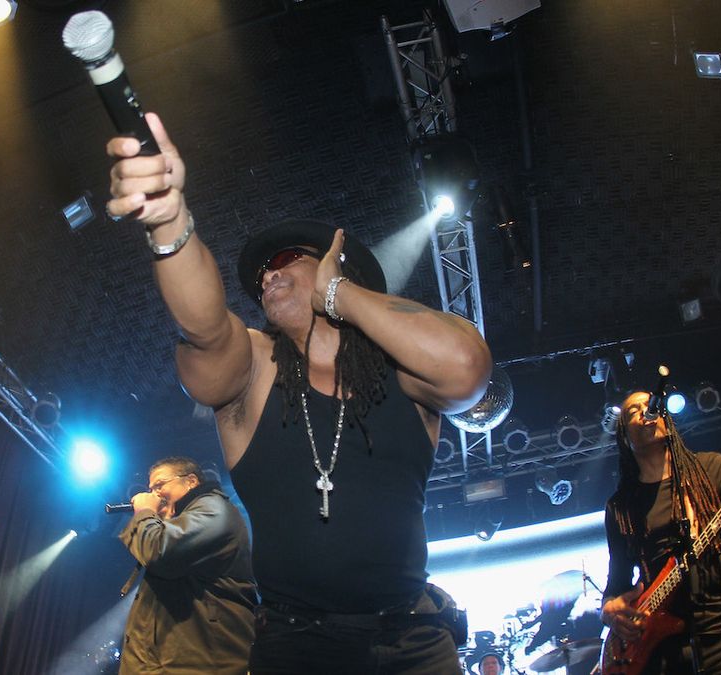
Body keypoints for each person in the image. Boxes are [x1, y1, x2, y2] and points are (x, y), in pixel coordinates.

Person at [106, 113, 491, 672]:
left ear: (341, 271)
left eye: (288, 261)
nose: (267, 277)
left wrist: (342, 296)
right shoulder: (256, 367)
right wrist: (169, 224)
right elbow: (206, 328)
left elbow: (467, 368)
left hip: (414, 639)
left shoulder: (400, 371)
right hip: (298, 646)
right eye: (262, 274)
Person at [600, 390, 721, 674]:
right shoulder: (621, 507)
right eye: (633, 411)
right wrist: (609, 612)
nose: (646, 411)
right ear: (625, 438)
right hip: (660, 647)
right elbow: (616, 583)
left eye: (651, 405)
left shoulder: (710, 468)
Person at [119, 456, 257, 674]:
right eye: (150, 488)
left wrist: (145, 512)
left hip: (200, 664)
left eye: (160, 485)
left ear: (191, 481)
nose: (153, 494)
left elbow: (159, 553)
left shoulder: (214, 509)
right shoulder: (181, 522)